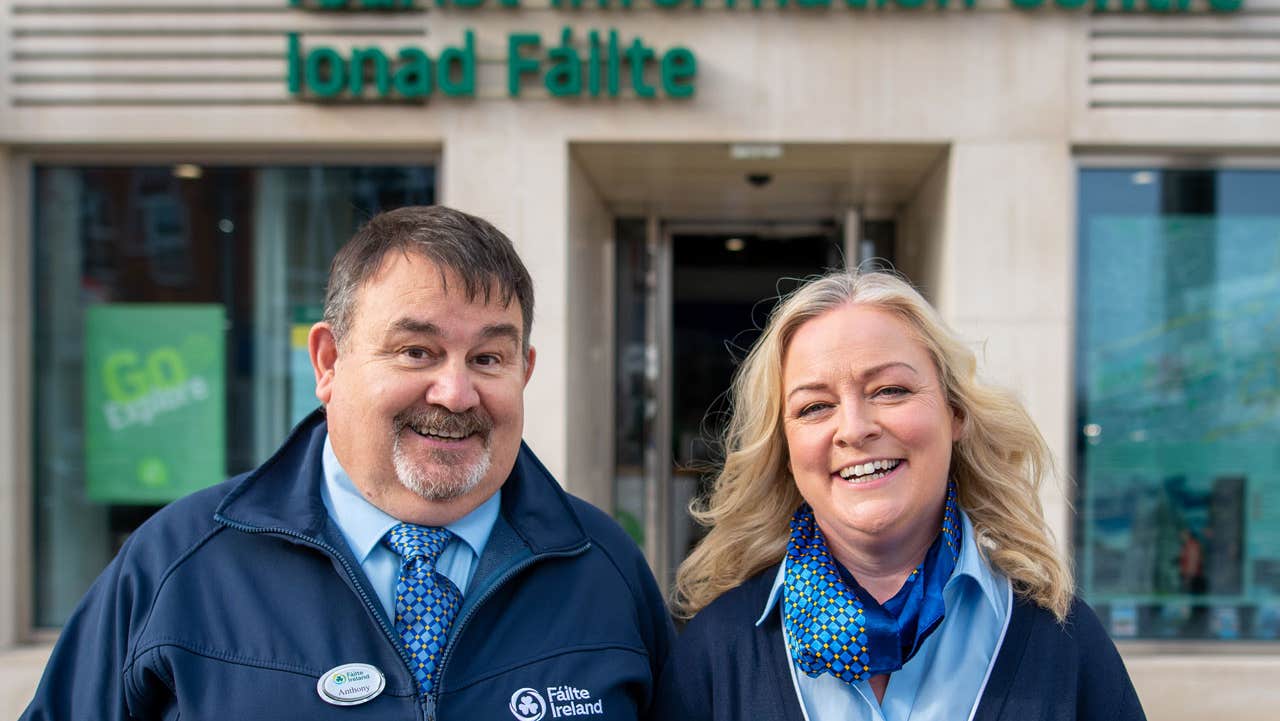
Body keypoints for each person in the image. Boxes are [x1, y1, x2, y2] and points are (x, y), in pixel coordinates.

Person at [24, 205, 673, 721]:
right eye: (417, 351)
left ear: (523, 372)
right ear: (329, 362)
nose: (455, 392)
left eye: (487, 358)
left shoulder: (602, 567)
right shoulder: (179, 562)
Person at [651, 270, 1145, 721]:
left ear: (955, 413)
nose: (855, 428)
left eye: (890, 391)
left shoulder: (1063, 640)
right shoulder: (716, 653)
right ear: (784, 449)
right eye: (815, 407)